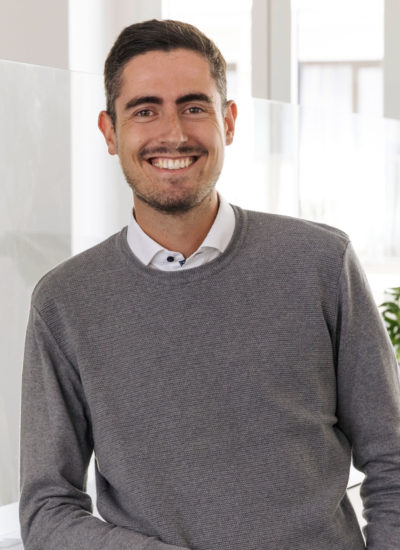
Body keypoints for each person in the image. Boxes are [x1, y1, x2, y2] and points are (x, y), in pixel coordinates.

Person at [19, 19, 400, 550]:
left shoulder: (320, 262)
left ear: (229, 121)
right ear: (109, 132)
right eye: (145, 110)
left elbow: (392, 459)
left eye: (194, 107)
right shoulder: (65, 302)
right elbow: (46, 509)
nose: (173, 134)